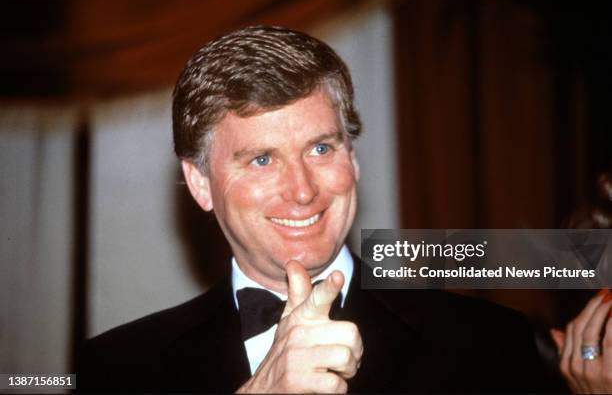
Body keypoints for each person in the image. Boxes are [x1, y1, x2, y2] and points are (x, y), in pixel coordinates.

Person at [78, 25, 547, 393]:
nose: (302, 191)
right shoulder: (116, 368)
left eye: (320, 149)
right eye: (262, 160)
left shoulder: (489, 344)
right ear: (201, 184)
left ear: (353, 157)